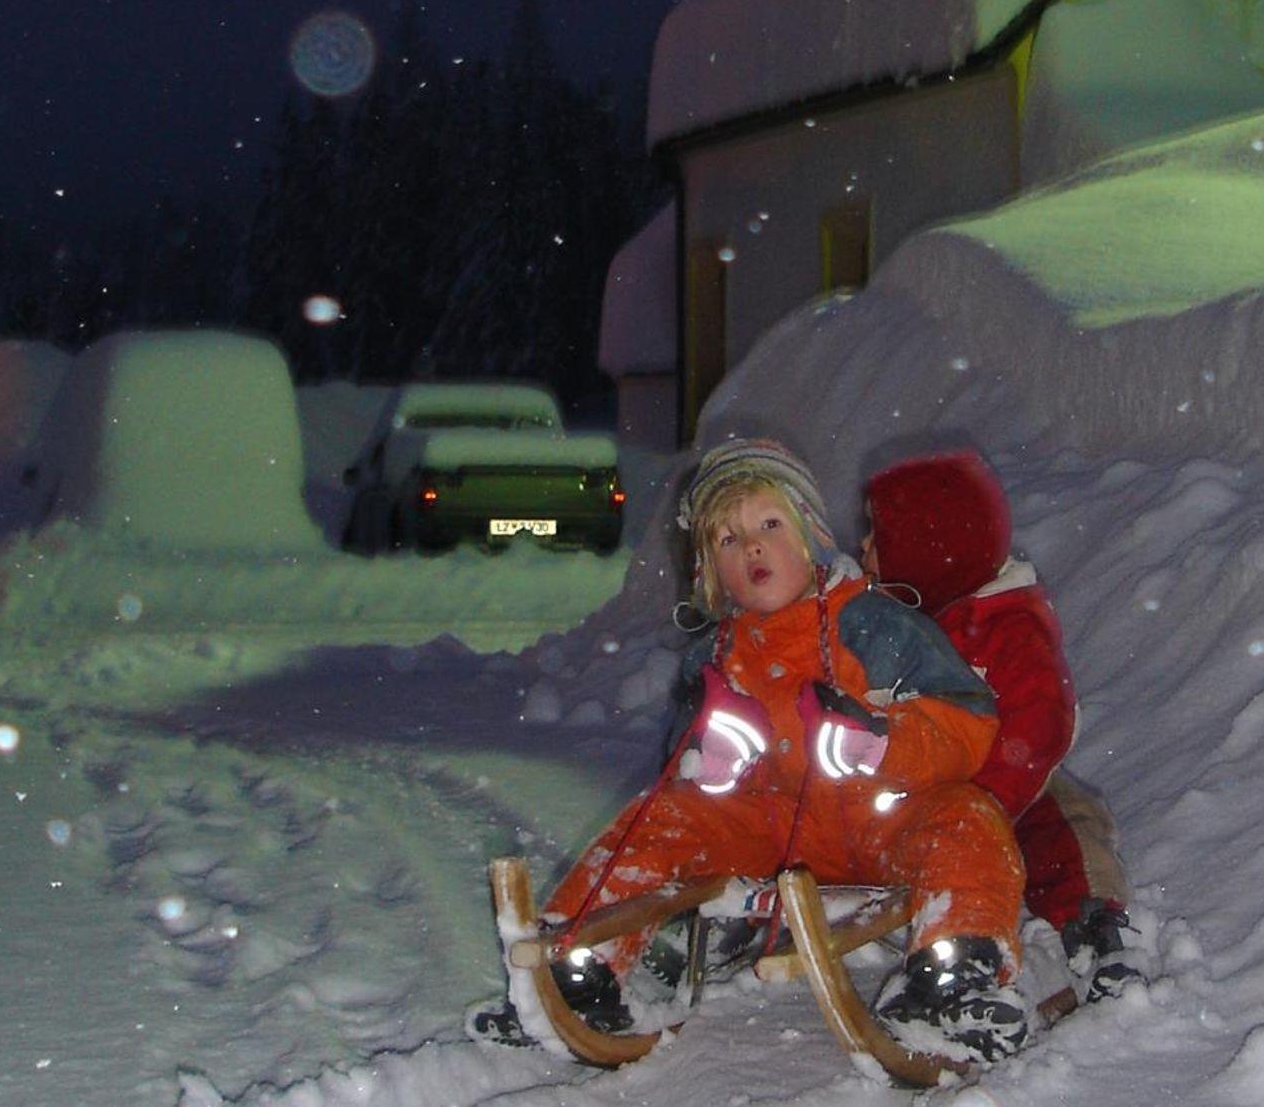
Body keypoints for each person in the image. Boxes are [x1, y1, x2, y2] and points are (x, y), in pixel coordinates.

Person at [473, 438, 1033, 1062]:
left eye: (770, 525)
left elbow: (968, 719)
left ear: (811, 536)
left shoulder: (873, 624)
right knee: (664, 818)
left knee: (966, 820)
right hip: (770, 827)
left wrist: (884, 741)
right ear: (710, 572)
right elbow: (686, 766)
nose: (753, 548)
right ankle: (579, 969)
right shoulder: (719, 654)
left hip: (886, 819)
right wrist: (708, 761)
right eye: (728, 540)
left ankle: (956, 976)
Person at [862, 449, 1136, 992]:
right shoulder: (885, 621)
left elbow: (1039, 724)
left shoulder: (1007, 629)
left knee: (1065, 820)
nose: (863, 549)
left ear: (926, 552)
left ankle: (1091, 920)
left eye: (877, 537)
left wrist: (987, 801)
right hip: (909, 798)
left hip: (1005, 792)